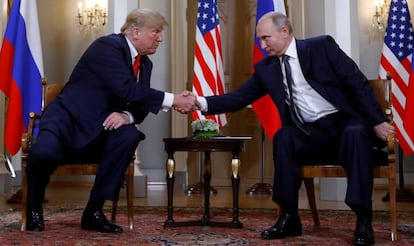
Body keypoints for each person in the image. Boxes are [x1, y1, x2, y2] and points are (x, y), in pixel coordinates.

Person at [196, 12, 394, 245]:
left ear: (285, 32)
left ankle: (363, 221)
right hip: (311, 134)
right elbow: (238, 98)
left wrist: (377, 121)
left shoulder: (321, 47)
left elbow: (357, 83)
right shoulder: (266, 69)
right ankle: (289, 216)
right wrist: (200, 102)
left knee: (356, 132)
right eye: (260, 39)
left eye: (266, 38)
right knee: (284, 137)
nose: (262, 45)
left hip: (344, 125)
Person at [25, 8, 198, 233]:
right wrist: (173, 99)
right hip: (68, 121)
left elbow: (140, 102)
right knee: (43, 154)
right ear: (135, 32)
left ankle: (94, 211)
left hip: (99, 129)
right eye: (155, 32)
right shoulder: (107, 47)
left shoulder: (145, 64)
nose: (160, 38)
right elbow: (127, 89)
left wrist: (127, 116)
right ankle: (34, 209)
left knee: (129, 135)